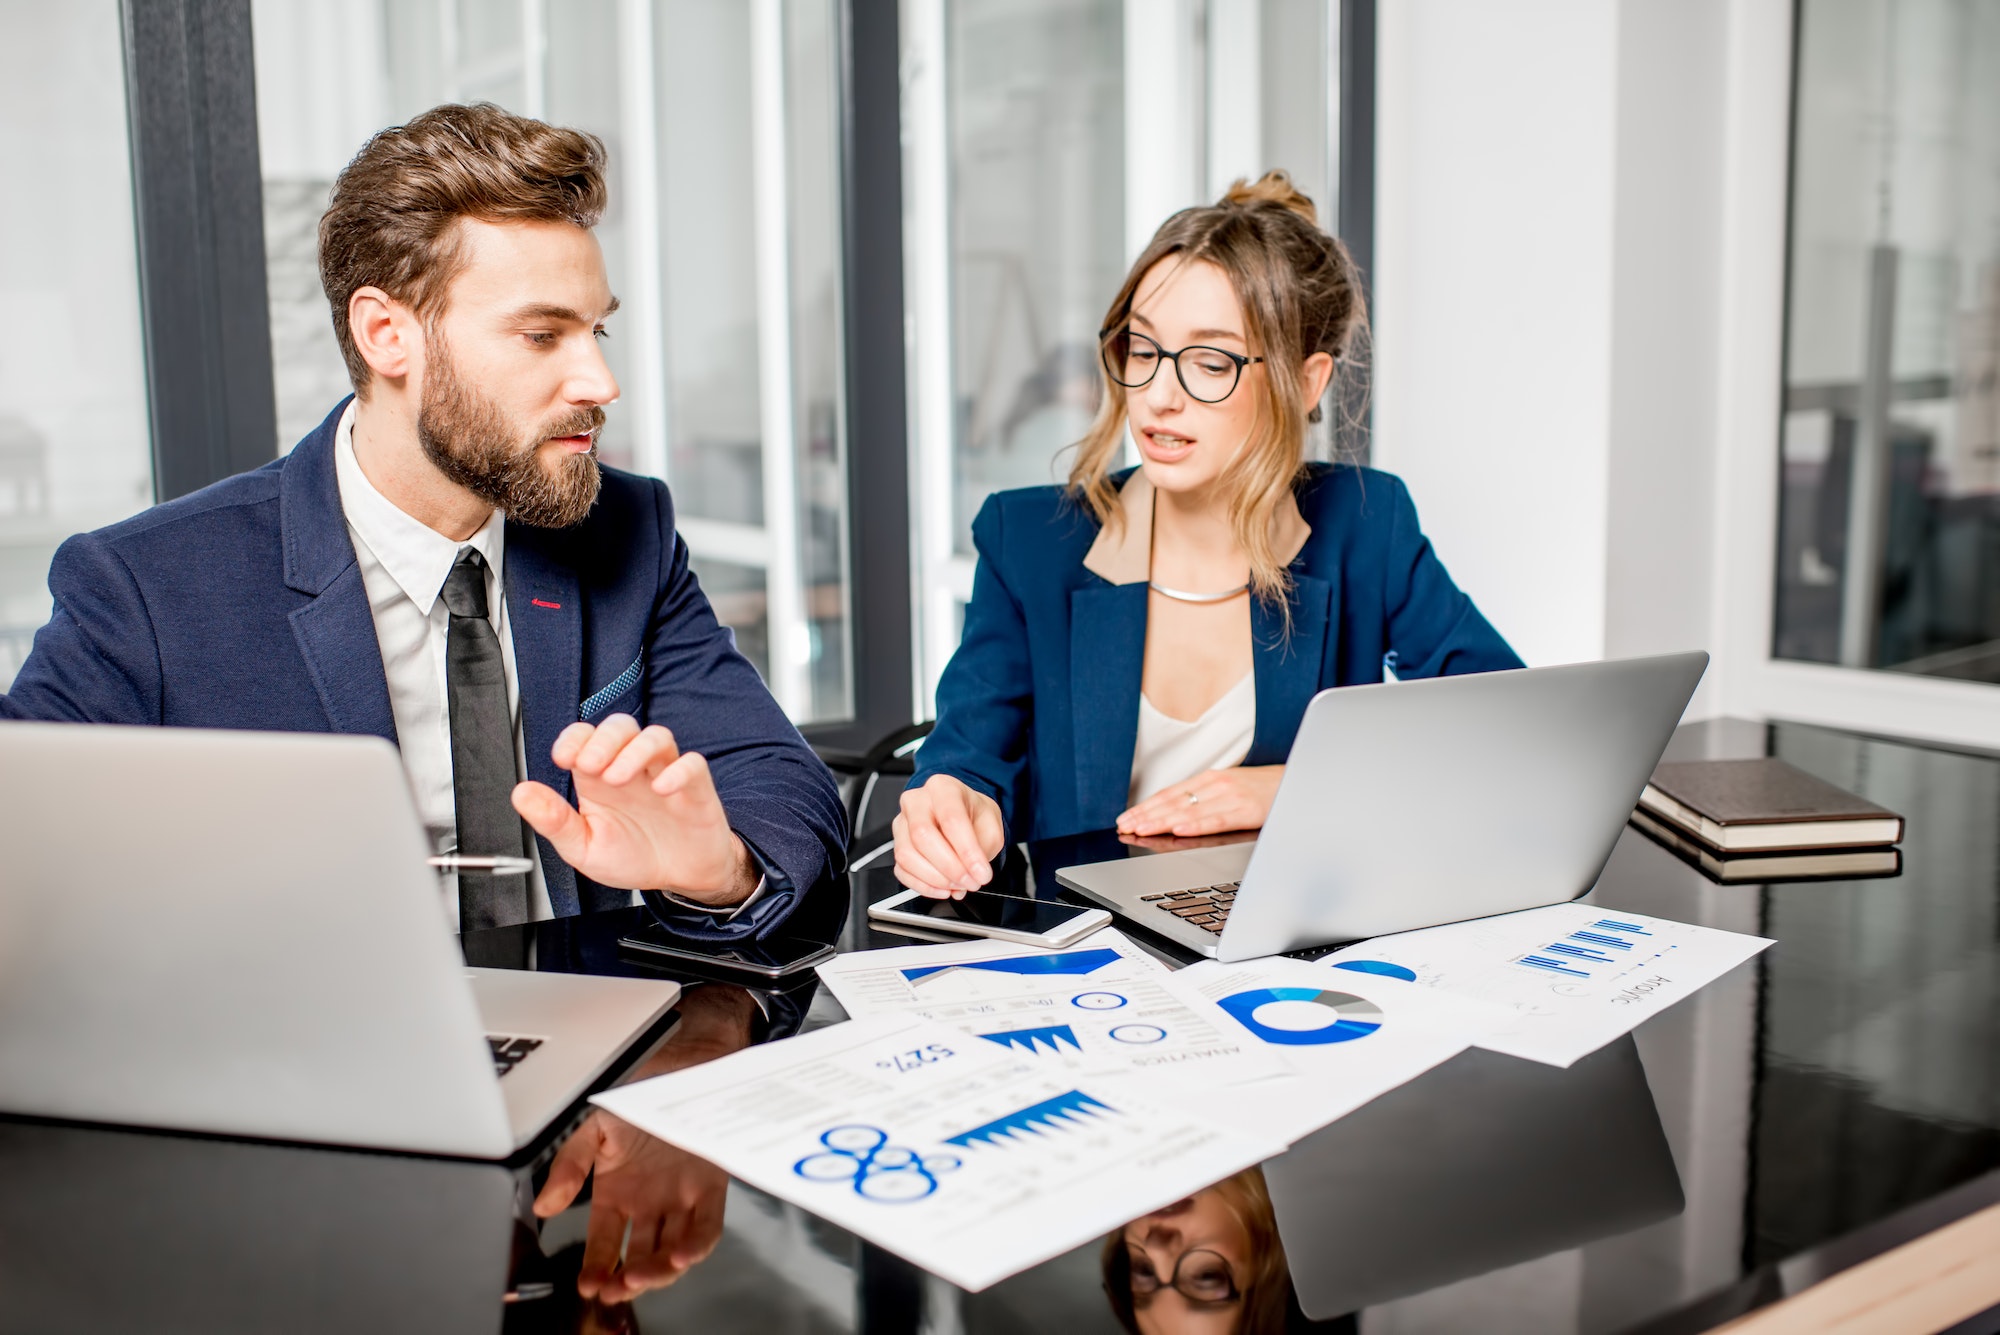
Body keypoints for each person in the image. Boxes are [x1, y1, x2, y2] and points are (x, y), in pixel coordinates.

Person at [0, 103, 843, 944]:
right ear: (386, 334)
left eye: (597, 330)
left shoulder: (627, 530)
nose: (600, 381)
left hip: (596, 1027)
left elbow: (785, 794)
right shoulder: (146, 589)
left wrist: (717, 870)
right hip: (309, 1054)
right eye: (542, 334)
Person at [896, 172, 1520, 898]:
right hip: (1090, 958)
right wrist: (952, 803)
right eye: (1142, 349)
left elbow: (1503, 731)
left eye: (1211, 362)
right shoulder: (1030, 541)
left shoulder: (1366, 524)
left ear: (1307, 381)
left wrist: (1292, 788)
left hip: (1290, 952)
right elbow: (968, 754)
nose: (1160, 395)